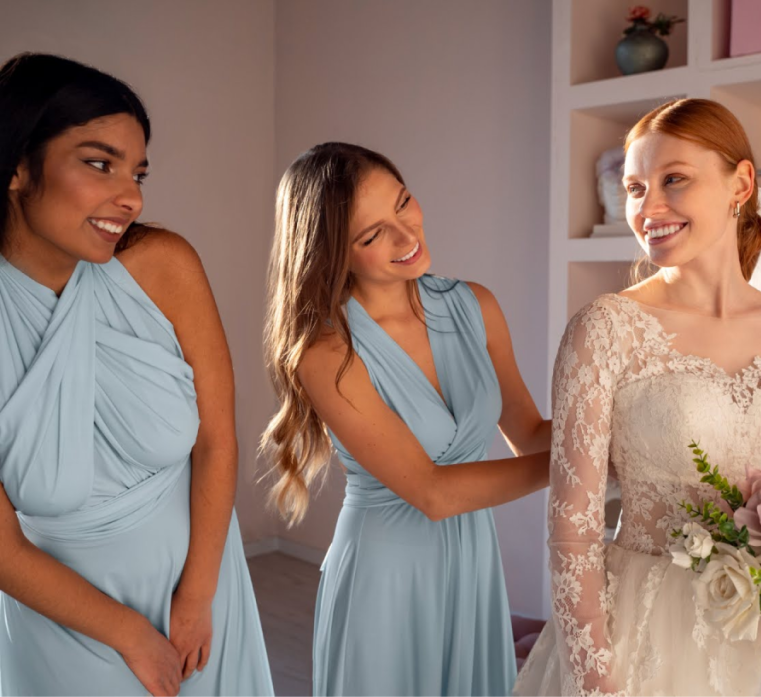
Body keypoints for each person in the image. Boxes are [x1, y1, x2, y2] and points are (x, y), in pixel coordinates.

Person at [515, 98, 761, 696]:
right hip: (640, 631)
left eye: (673, 180)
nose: (647, 208)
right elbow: (573, 528)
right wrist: (592, 678)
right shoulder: (605, 328)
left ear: (741, 184)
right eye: (635, 187)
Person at [0, 53, 273, 697]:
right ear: (16, 163)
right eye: (100, 164)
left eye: (138, 172)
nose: (131, 196)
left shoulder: (163, 265)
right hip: (65, 626)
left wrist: (199, 597)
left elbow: (216, 440)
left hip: (200, 601)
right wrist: (127, 633)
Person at [262, 142, 550, 697]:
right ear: (332, 253)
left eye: (404, 203)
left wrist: (626, 426)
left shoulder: (476, 305)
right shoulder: (326, 351)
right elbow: (432, 493)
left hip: (473, 565)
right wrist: (582, 464)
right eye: (372, 235)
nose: (405, 235)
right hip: (386, 574)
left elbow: (531, 434)